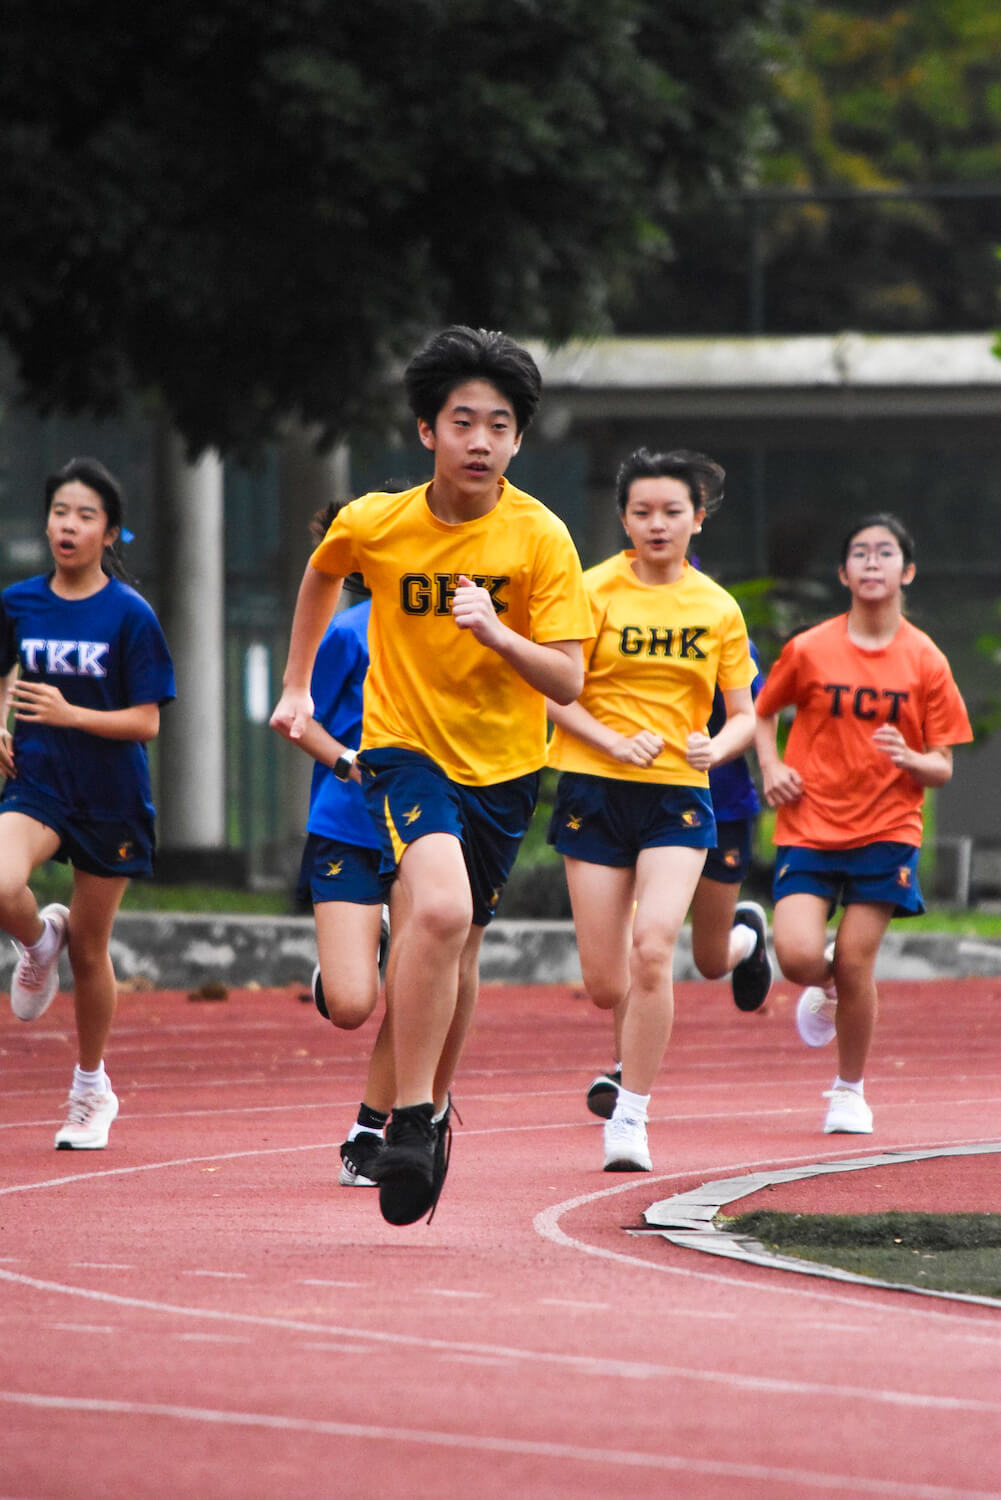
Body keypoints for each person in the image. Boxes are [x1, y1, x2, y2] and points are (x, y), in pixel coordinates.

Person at [271, 325, 593, 1225]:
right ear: (427, 432)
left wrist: (497, 632)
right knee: (440, 911)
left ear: (518, 441)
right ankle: (405, 1120)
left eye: (498, 425)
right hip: (405, 750)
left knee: (460, 940)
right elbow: (321, 570)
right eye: (462, 422)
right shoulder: (377, 521)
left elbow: (567, 677)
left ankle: (433, 1108)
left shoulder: (541, 539)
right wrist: (296, 685)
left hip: (505, 768)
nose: (480, 440)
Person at [546, 447, 758, 1173]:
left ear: (697, 518)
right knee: (608, 982)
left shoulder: (716, 607)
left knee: (654, 947)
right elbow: (549, 692)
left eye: (671, 512)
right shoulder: (591, 589)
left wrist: (717, 750)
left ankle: (630, 1117)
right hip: (593, 789)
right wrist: (610, 739)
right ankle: (689, 963)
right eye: (641, 512)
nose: (656, 524)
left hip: (678, 794)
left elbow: (743, 715)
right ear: (623, 518)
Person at [754, 512, 972, 1135]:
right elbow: (765, 712)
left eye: (885, 553)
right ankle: (826, 987)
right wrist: (770, 767)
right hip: (810, 822)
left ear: (906, 571)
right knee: (797, 957)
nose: (872, 562)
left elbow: (944, 766)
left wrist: (912, 758)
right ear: (843, 572)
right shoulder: (810, 648)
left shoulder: (925, 660)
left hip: (888, 829)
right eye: (860, 553)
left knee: (855, 961)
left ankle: (848, 1091)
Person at [0, 457, 175, 1149]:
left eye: (85, 516)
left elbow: (147, 723)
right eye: (60, 513)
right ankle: (39, 939)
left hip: (110, 796)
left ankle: (90, 1089)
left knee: (94, 949)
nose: (68, 526)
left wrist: (72, 714)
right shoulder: (18, 602)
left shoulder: (131, 616)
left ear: (110, 534)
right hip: (38, 783)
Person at [583, 638, 772, 1121]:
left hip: (722, 805)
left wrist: (739, 755)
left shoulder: (716, 619)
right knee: (641, 938)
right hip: (641, 802)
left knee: (710, 960)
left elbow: (754, 714)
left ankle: (746, 937)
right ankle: (627, 1070)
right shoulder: (616, 615)